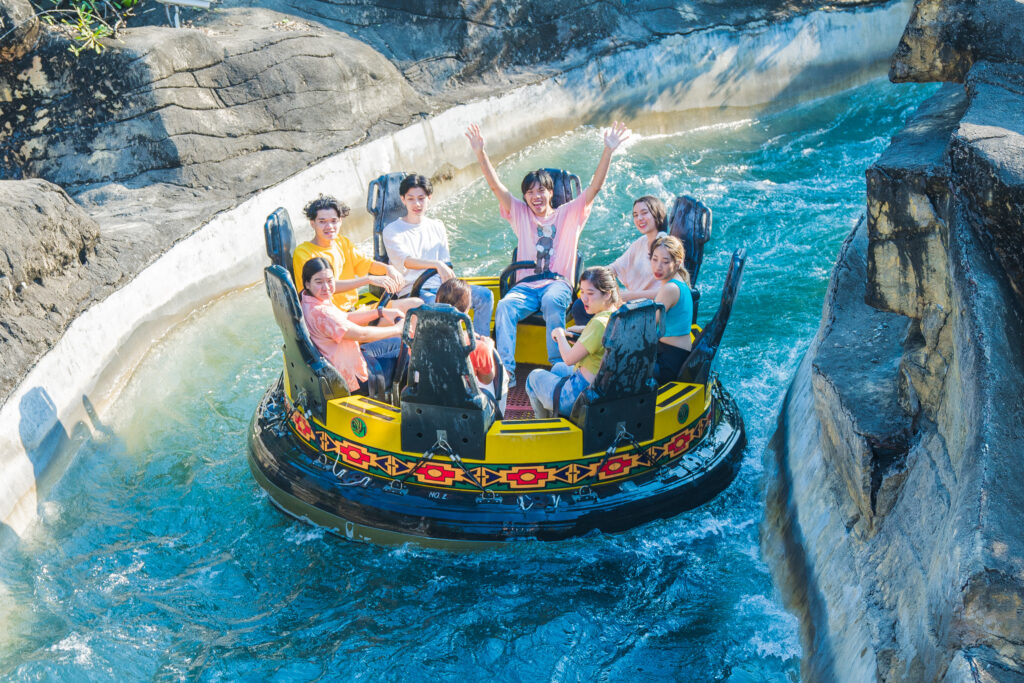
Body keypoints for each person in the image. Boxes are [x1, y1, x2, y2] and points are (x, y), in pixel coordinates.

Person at [465, 121, 630, 383]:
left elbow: (594, 189)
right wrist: (480, 152)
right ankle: (507, 372)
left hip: (557, 284)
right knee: (505, 306)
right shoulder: (520, 214)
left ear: (551, 192)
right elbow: (496, 187)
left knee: (553, 300)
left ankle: (558, 366)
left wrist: (608, 150)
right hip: (525, 287)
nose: (536, 196)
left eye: (541, 190)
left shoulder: (568, 214)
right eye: (530, 192)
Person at [382, 174, 494, 337]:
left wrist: (453, 286)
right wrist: (436, 264)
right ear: (403, 199)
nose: (417, 204)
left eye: (421, 198)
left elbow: (446, 263)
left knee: (485, 296)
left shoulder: (437, 226)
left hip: (441, 287)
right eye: (411, 199)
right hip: (413, 290)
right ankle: (455, 345)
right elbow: (405, 261)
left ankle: (478, 344)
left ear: (429, 198)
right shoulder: (392, 230)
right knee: (442, 307)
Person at [292, 194, 420, 315]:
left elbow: (367, 264)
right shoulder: (303, 253)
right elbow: (323, 287)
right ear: (312, 223)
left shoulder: (341, 242)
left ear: (340, 221)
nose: (329, 226)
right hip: (332, 316)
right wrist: (368, 280)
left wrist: (388, 269)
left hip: (354, 308)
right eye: (322, 221)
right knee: (406, 314)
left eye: (334, 221)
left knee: (416, 305)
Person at [524, 267, 620, 418]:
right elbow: (600, 332)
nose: (584, 299)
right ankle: (554, 415)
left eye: (590, 293)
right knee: (557, 368)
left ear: (607, 294)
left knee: (533, 377)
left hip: (580, 396)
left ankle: (543, 423)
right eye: (582, 292)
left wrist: (559, 334)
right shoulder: (617, 316)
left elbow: (569, 359)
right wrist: (584, 329)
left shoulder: (597, 324)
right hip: (602, 387)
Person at [300, 257, 405, 395]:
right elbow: (362, 334)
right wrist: (397, 329)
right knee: (408, 356)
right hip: (353, 380)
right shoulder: (322, 313)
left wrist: (380, 312)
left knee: (398, 342)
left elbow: (346, 317)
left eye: (330, 281)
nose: (326, 287)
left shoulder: (309, 300)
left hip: (349, 359)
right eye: (319, 282)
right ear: (307, 283)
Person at [570, 195, 668, 328]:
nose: (639, 218)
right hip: (632, 303)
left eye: (644, 213)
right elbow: (615, 267)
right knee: (581, 304)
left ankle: (594, 338)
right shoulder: (641, 242)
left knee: (583, 307)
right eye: (635, 215)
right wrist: (593, 277)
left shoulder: (666, 248)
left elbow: (666, 291)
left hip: (647, 309)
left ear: (657, 214)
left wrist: (627, 296)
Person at [434, 278, 507, 415]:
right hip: (466, 407)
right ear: (466, 311)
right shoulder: (478, 347)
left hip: (432, 402)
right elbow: (487, 379)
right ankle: (497, 419)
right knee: (502, 376)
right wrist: (489, 348)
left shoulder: (419, 337)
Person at [649, 235, 694, 385]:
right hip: (675, 353)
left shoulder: (670, 288)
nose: (658, 267)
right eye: (655, 259)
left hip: (669, 361)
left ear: (678, 263)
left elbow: (649, 325)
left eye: (665, 261)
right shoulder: (678, 281)